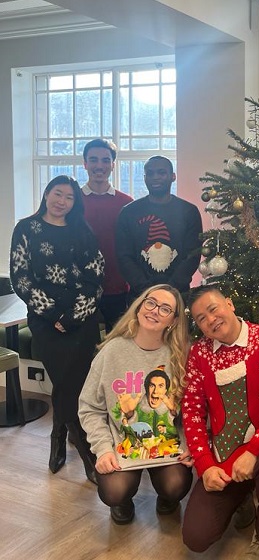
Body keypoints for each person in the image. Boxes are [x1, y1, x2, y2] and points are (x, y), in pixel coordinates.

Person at [181, 285, 259, 559]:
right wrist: (205, 466)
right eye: (201, 318)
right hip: (223, 451)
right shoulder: (200, 354)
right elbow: (192, 412)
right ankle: (242, 496)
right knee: (196, 538)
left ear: (230, 304)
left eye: (213, 309)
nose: (210, 320)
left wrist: (254, 450)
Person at [10, 175, 104, 484]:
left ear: (76, 203)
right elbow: (21, 279)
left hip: (83, 319)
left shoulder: (83, 231)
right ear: (47, 194)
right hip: (45, 321)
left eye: (69, 197)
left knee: (74, 381)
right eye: (57, 193)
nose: (61, 201)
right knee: (65, 379)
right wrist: (54, 315)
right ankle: (88, 452)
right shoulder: (26, 229)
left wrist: (74, 317)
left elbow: (95, 278)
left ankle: (59, 431)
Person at [78, 284, 194, 524]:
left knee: (175, 486)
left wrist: (192, 443)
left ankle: (167, 497)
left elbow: (196, 408)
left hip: (167, 444)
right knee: (113, 491)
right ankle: (123, 502)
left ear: (173, 320)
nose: (154, 311)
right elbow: (89, 407)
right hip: (124, 442)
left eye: (165, 309)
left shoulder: (181, 355)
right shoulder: (112, 351)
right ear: (139, 306)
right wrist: (103, 449)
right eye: (150, 303)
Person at [116, 156, 202, 301]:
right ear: (144, 178)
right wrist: (146, 290)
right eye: (150, 173)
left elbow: (192, 255)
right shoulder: (128, 212)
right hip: (139, 296)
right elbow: (124, 256)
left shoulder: (189, 211)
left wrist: (171, 288)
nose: (155, 177)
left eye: (161, 172)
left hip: (178, 295)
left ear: (172, 176)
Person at [82, 138, 133, 332]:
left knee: (118, 344)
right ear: (85, 164)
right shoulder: (72, 201)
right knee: (83, 348)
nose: (99, 165)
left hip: (118, 288)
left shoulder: (126, 203)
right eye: (93, 160)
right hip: (81, 289)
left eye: (105, 160)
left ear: (113, 165)